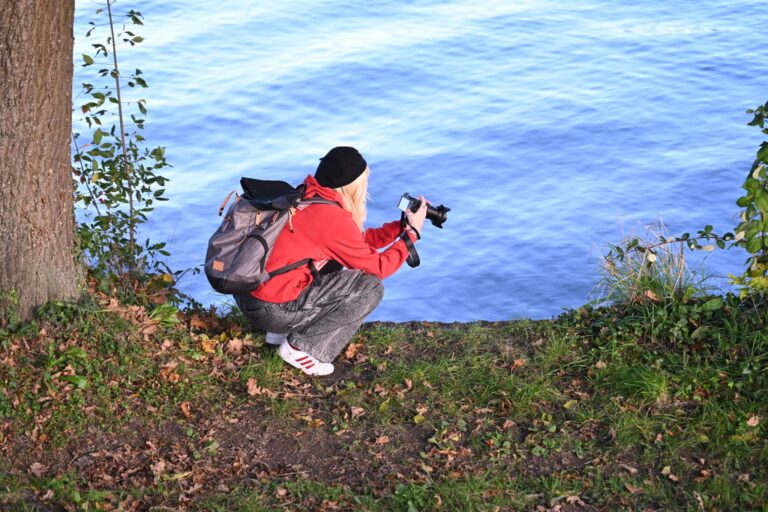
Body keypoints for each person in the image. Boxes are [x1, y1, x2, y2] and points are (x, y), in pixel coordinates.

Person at [235, 146, 428, 376]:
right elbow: (378, 267)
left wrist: (400, 228)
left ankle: (278, 333)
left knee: (334, 262)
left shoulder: (305, 194)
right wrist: (412, 235)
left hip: (250, 295)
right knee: (371, 287)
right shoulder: (332, 218)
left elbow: (354, 243)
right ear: (352, 186)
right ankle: (303, 349)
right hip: (271, 310)